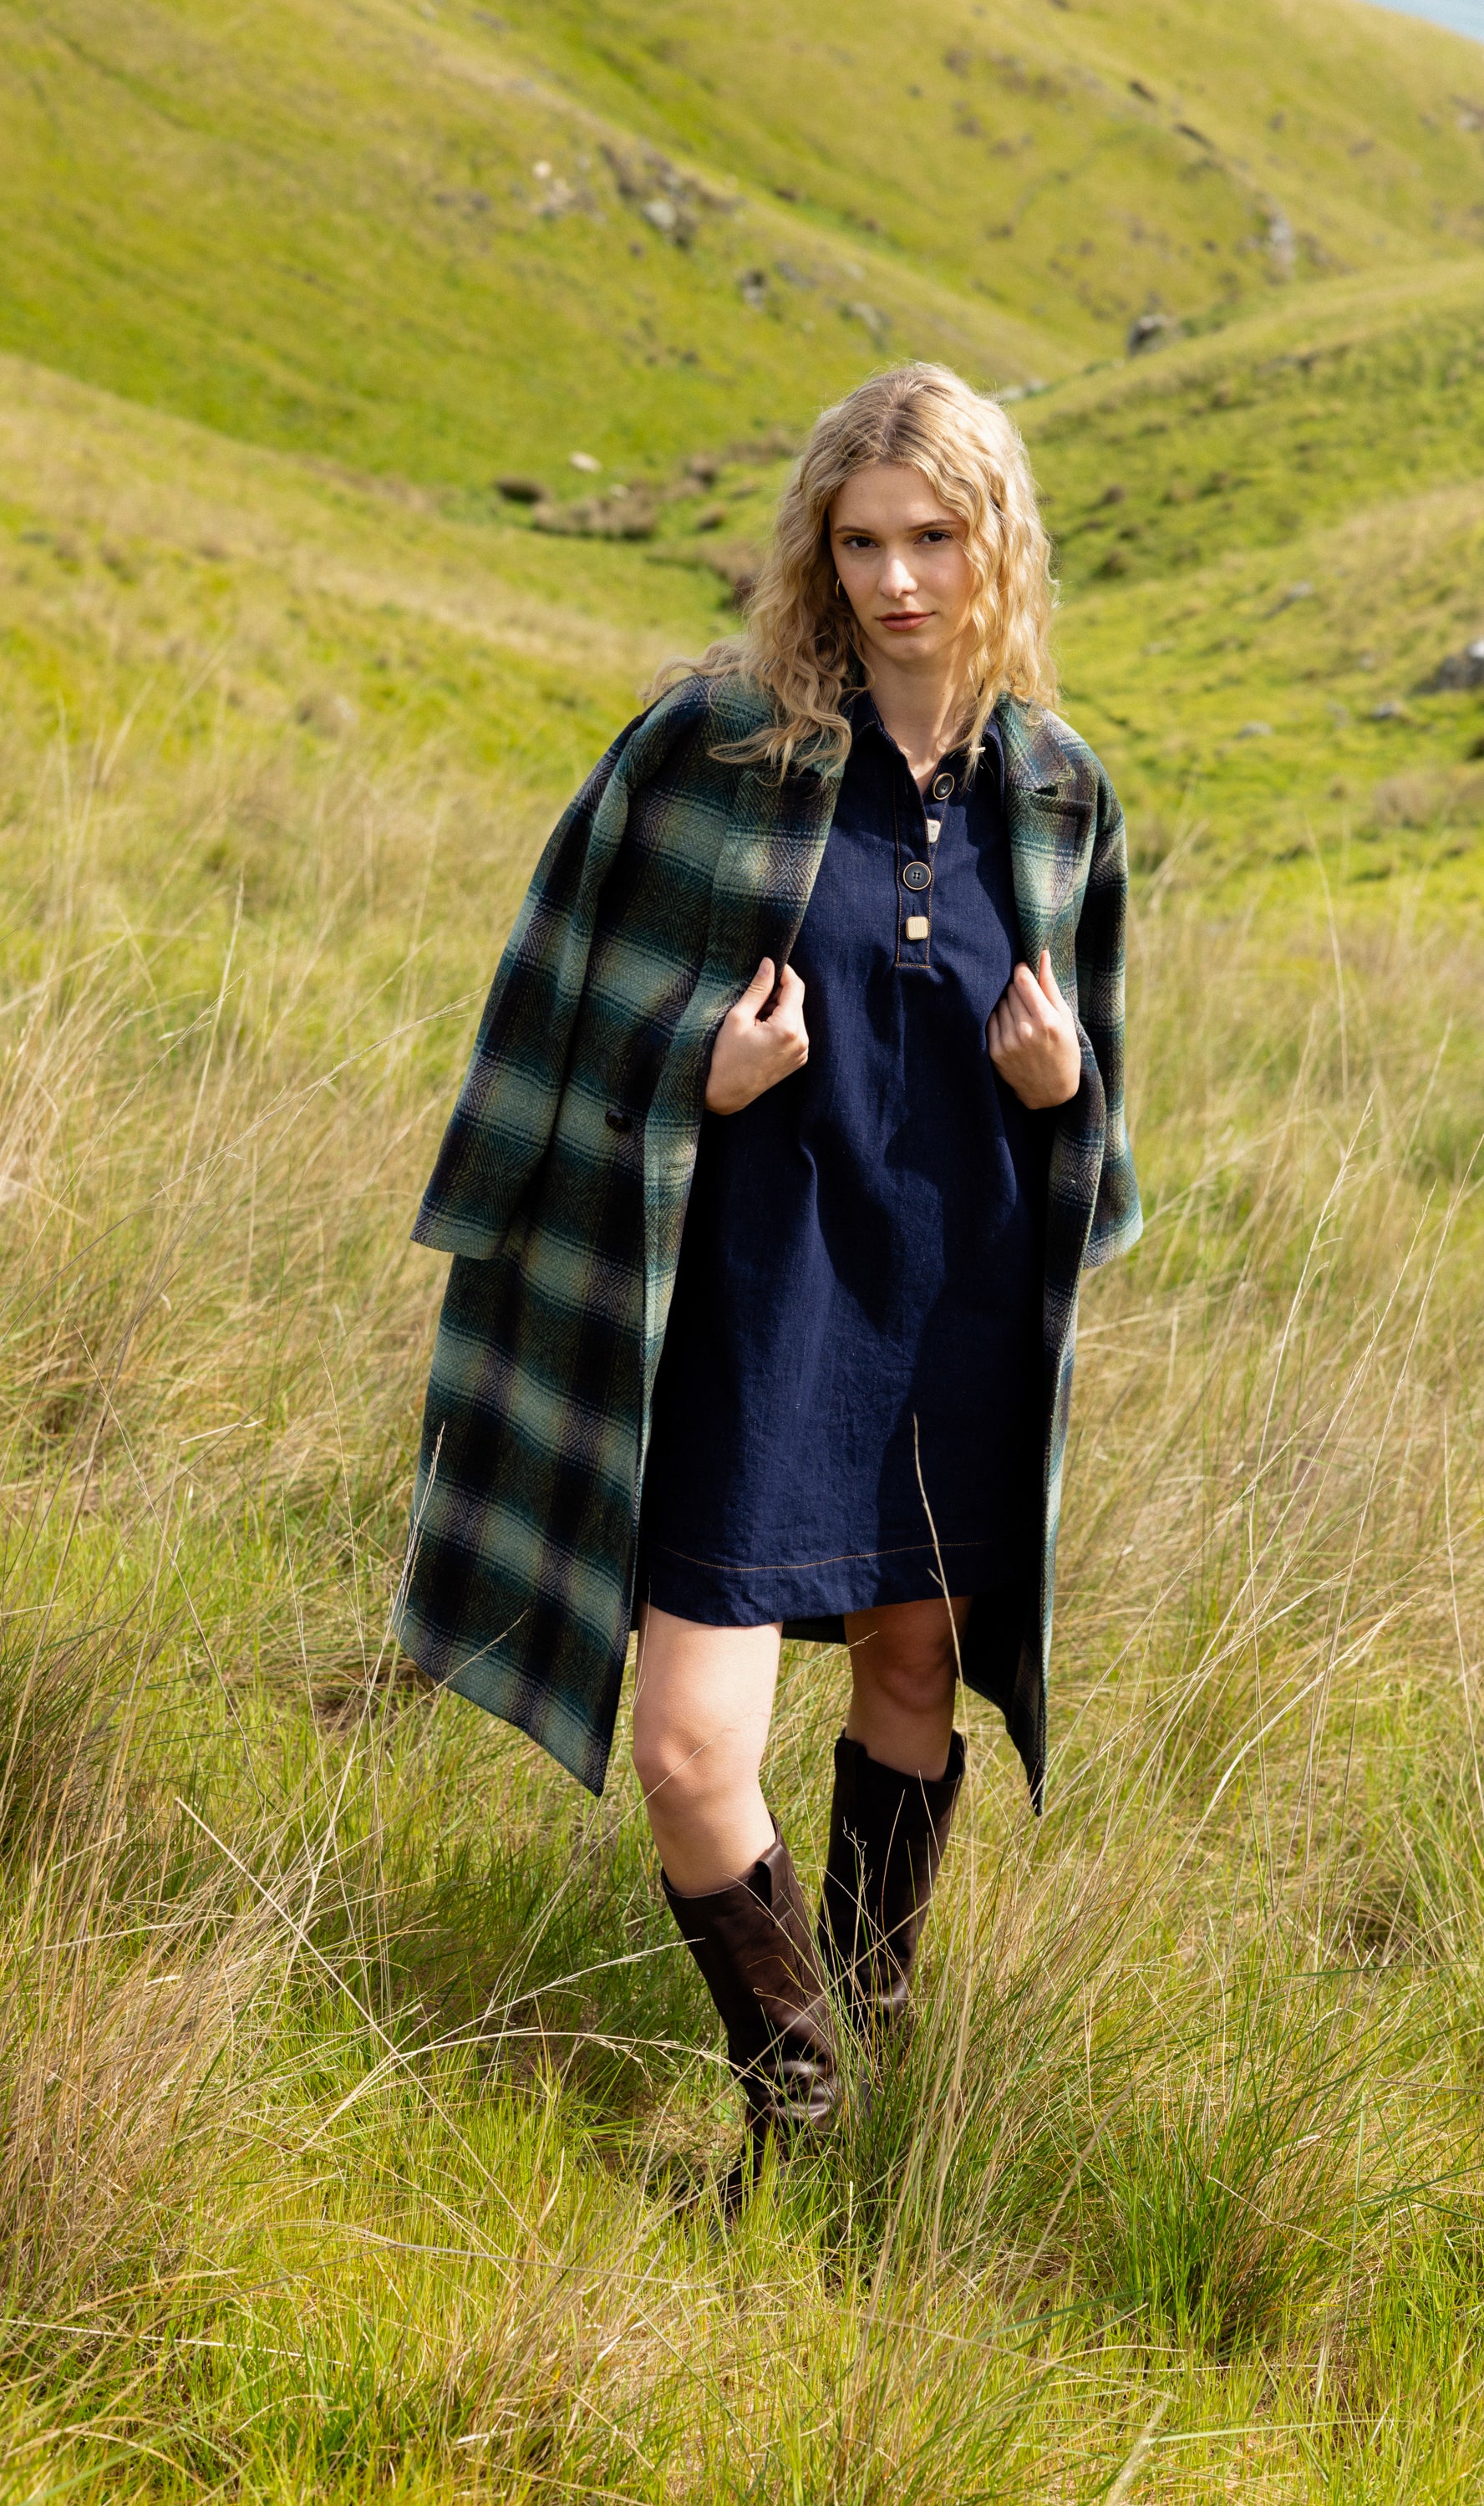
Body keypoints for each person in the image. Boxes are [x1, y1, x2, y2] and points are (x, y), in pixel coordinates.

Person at [397, 362, 1141, 2195]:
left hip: (954, 1309)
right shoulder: (710, 747)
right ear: (819, 546)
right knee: (685, 1746)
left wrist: (1068, 1089)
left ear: (997, 545)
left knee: (914, 1672)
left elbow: (1096, 1122)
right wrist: (698, 1074)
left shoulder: (1058, 793)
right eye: (862, 541)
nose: (897, 580)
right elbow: (557, 1013)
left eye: (934, 539)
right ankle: (801, 2106)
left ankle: (858, 2078)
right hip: (750, 1308)